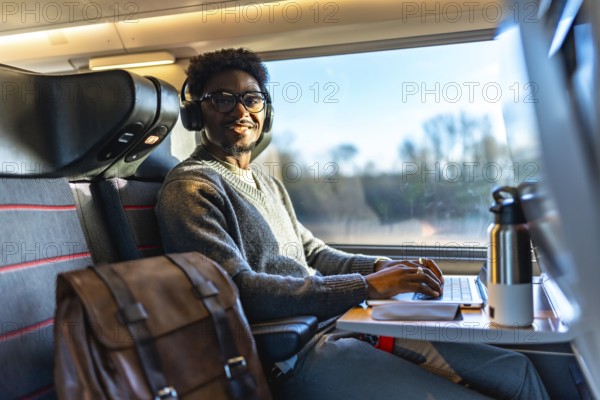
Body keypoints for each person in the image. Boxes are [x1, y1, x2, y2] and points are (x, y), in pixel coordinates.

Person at [156, 48, 549, 399]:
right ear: (195, 113)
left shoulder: (266, 183)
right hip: (294, 351)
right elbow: (237, 291)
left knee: (517, 371)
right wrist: (365, 286)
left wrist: (381, 267)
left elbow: (313, 253)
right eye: (222, 99)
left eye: (252, 99)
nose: (241, 112)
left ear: (266, 112)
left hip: (342, 324)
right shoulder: (191, 188)